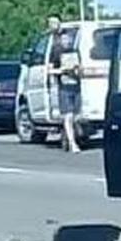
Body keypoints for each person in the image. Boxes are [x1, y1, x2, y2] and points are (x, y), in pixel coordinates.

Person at [46, 16, 82, 153]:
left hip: (76, 85)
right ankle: (73, 143)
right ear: (61, 41)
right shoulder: (56, 53)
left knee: (77, 116)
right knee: (68, 116)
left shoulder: (75, 52)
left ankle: (66, 137)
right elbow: (49, 71)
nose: (67, 41)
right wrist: (62, 70)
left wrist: (77, 69)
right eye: (65, 40)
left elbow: (81, 67)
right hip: (64, 87)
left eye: (69, 39)